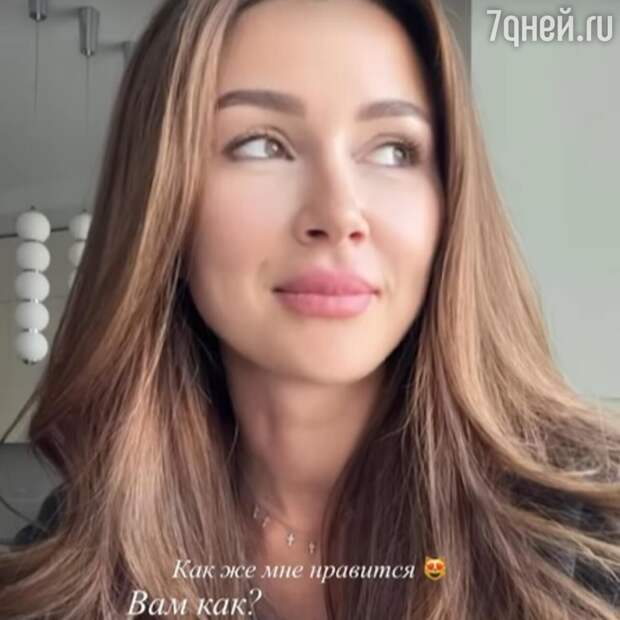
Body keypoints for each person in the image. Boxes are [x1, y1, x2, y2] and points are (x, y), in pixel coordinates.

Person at [1, 0, 619, 618]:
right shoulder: (71, 562)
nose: (338, 214)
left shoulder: (594, 536)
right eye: (260, 144)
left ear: (449, 201)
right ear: (163, 205)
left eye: (393, 150)